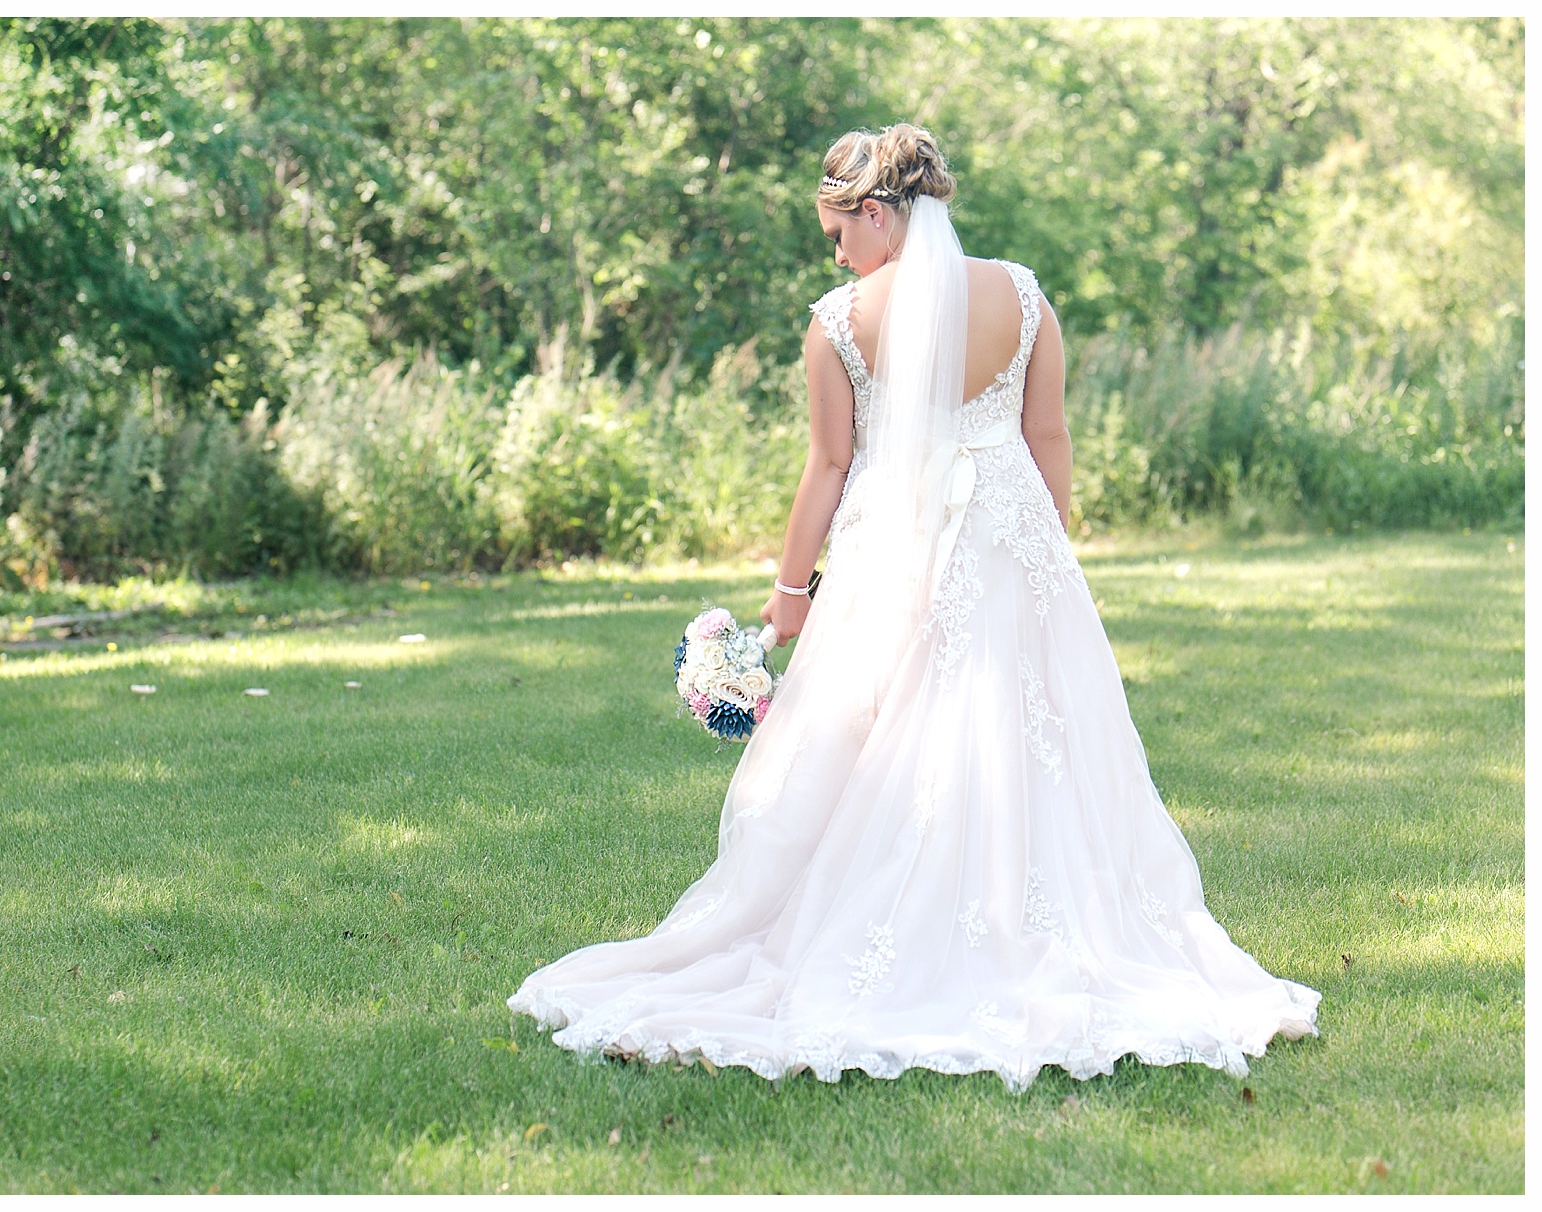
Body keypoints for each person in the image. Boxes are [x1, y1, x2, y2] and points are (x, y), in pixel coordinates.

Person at [508, 124, 1319, 1092]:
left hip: (899, 548)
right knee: (1033, 734)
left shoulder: (842, 320)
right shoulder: (1021, 296)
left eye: (838, 230)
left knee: (883, 734)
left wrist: (789, 594)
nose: (835, 251)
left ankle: (888, 936)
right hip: (1016, 545)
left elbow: (830, 466)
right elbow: (1046, 433)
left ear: (877, 212)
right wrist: (1043, 548)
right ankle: (1040, 924)